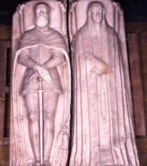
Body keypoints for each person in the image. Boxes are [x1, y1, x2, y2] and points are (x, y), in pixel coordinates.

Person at [70, 2, 139, 166]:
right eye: (94, 12)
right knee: (92, 116)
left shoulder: (111, 35)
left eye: (100, 12)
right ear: (88, 15)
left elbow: (117, 62)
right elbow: (79, 58)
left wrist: (106, 68)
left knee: (109, 118)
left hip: (109, 87)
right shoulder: (82, 34)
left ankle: (111, 152)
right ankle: (93, 152)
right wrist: (93, 62)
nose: (98, 15)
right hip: (89, 86)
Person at [12, 2, 69, 166]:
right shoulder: (28, 35)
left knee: (49, 117)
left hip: (51, 78)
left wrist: (44, 68)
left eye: (44, 11)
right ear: (35, 14)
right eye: (38, 11)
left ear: (49, 14)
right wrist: (36, 67)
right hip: (31, 77)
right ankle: (37, 159)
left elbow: (60, 56)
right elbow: (22, 56)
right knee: (32, 117)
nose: (41, 14)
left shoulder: (56, 35)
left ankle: (47, 159)